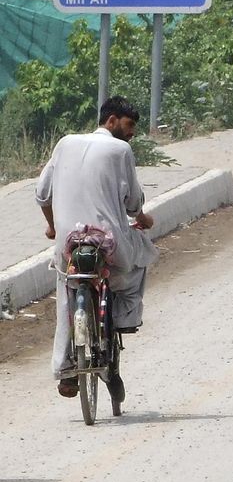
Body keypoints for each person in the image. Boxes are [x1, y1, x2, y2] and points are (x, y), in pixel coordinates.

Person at [36, 96, 158, 401]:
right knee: (142, 255)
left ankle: (65, 369)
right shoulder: (121, 150)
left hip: (68, 242)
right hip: (108, 241)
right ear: (112, 120)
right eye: (129, 125)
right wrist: (144, 219)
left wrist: (53, 227)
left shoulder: (65, 143)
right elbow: (133, 204)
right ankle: (124, 320)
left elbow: (42, 195)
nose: (132, 133)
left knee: (67, 286)